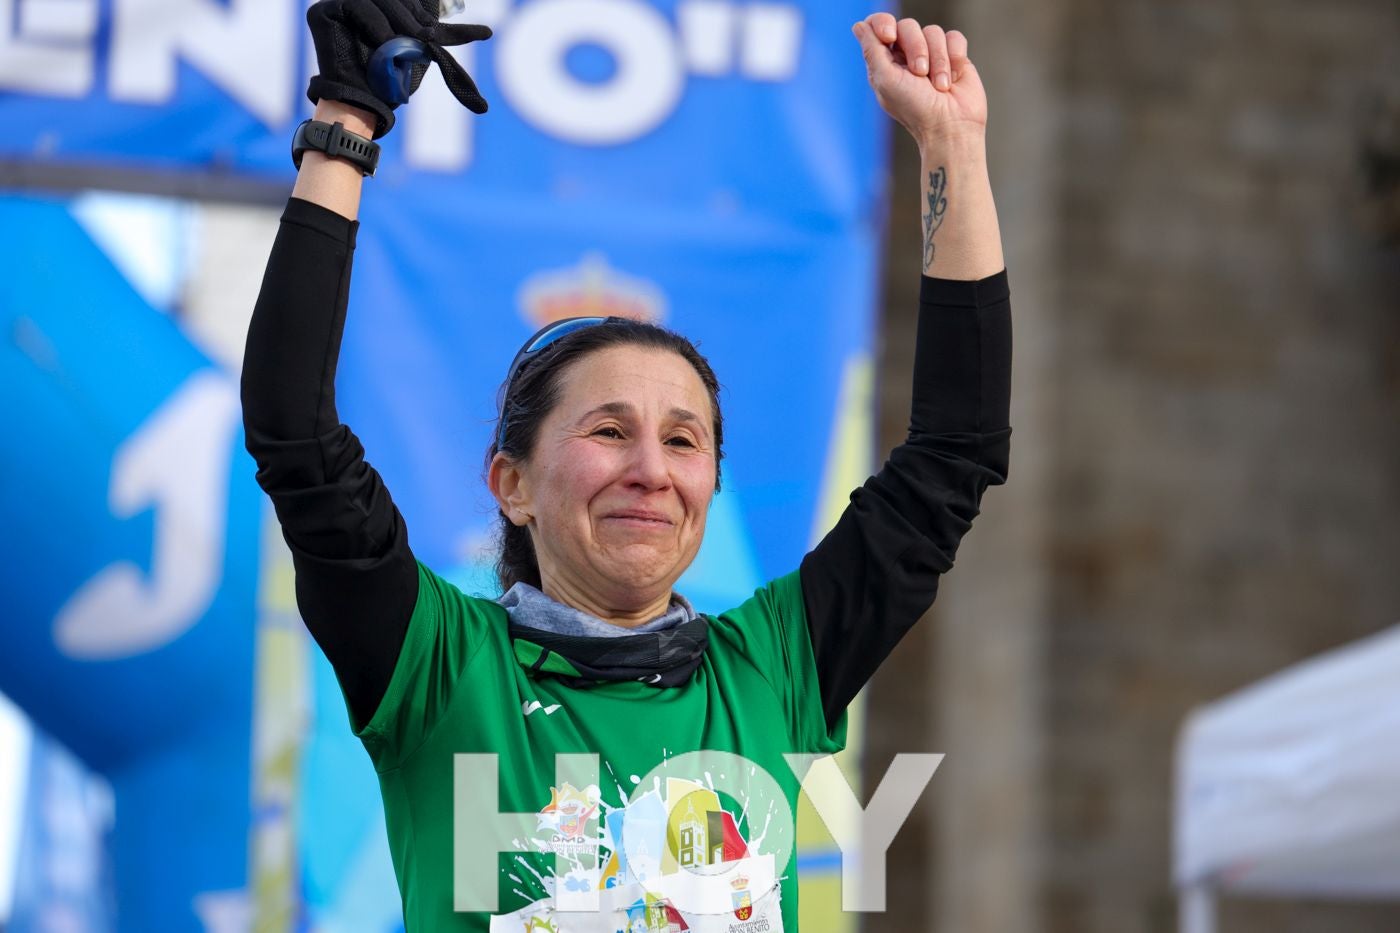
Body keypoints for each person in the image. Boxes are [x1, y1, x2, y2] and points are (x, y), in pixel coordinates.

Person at [240, 1, 1010, 929]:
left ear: (709, 487)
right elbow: (295, 434)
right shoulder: (437, 665)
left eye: (684, 439)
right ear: (510, 483)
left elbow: (953, 455)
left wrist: (951, 145)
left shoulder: (776, 666)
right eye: (608, 430)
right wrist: (344, 127)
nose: (651, 467)